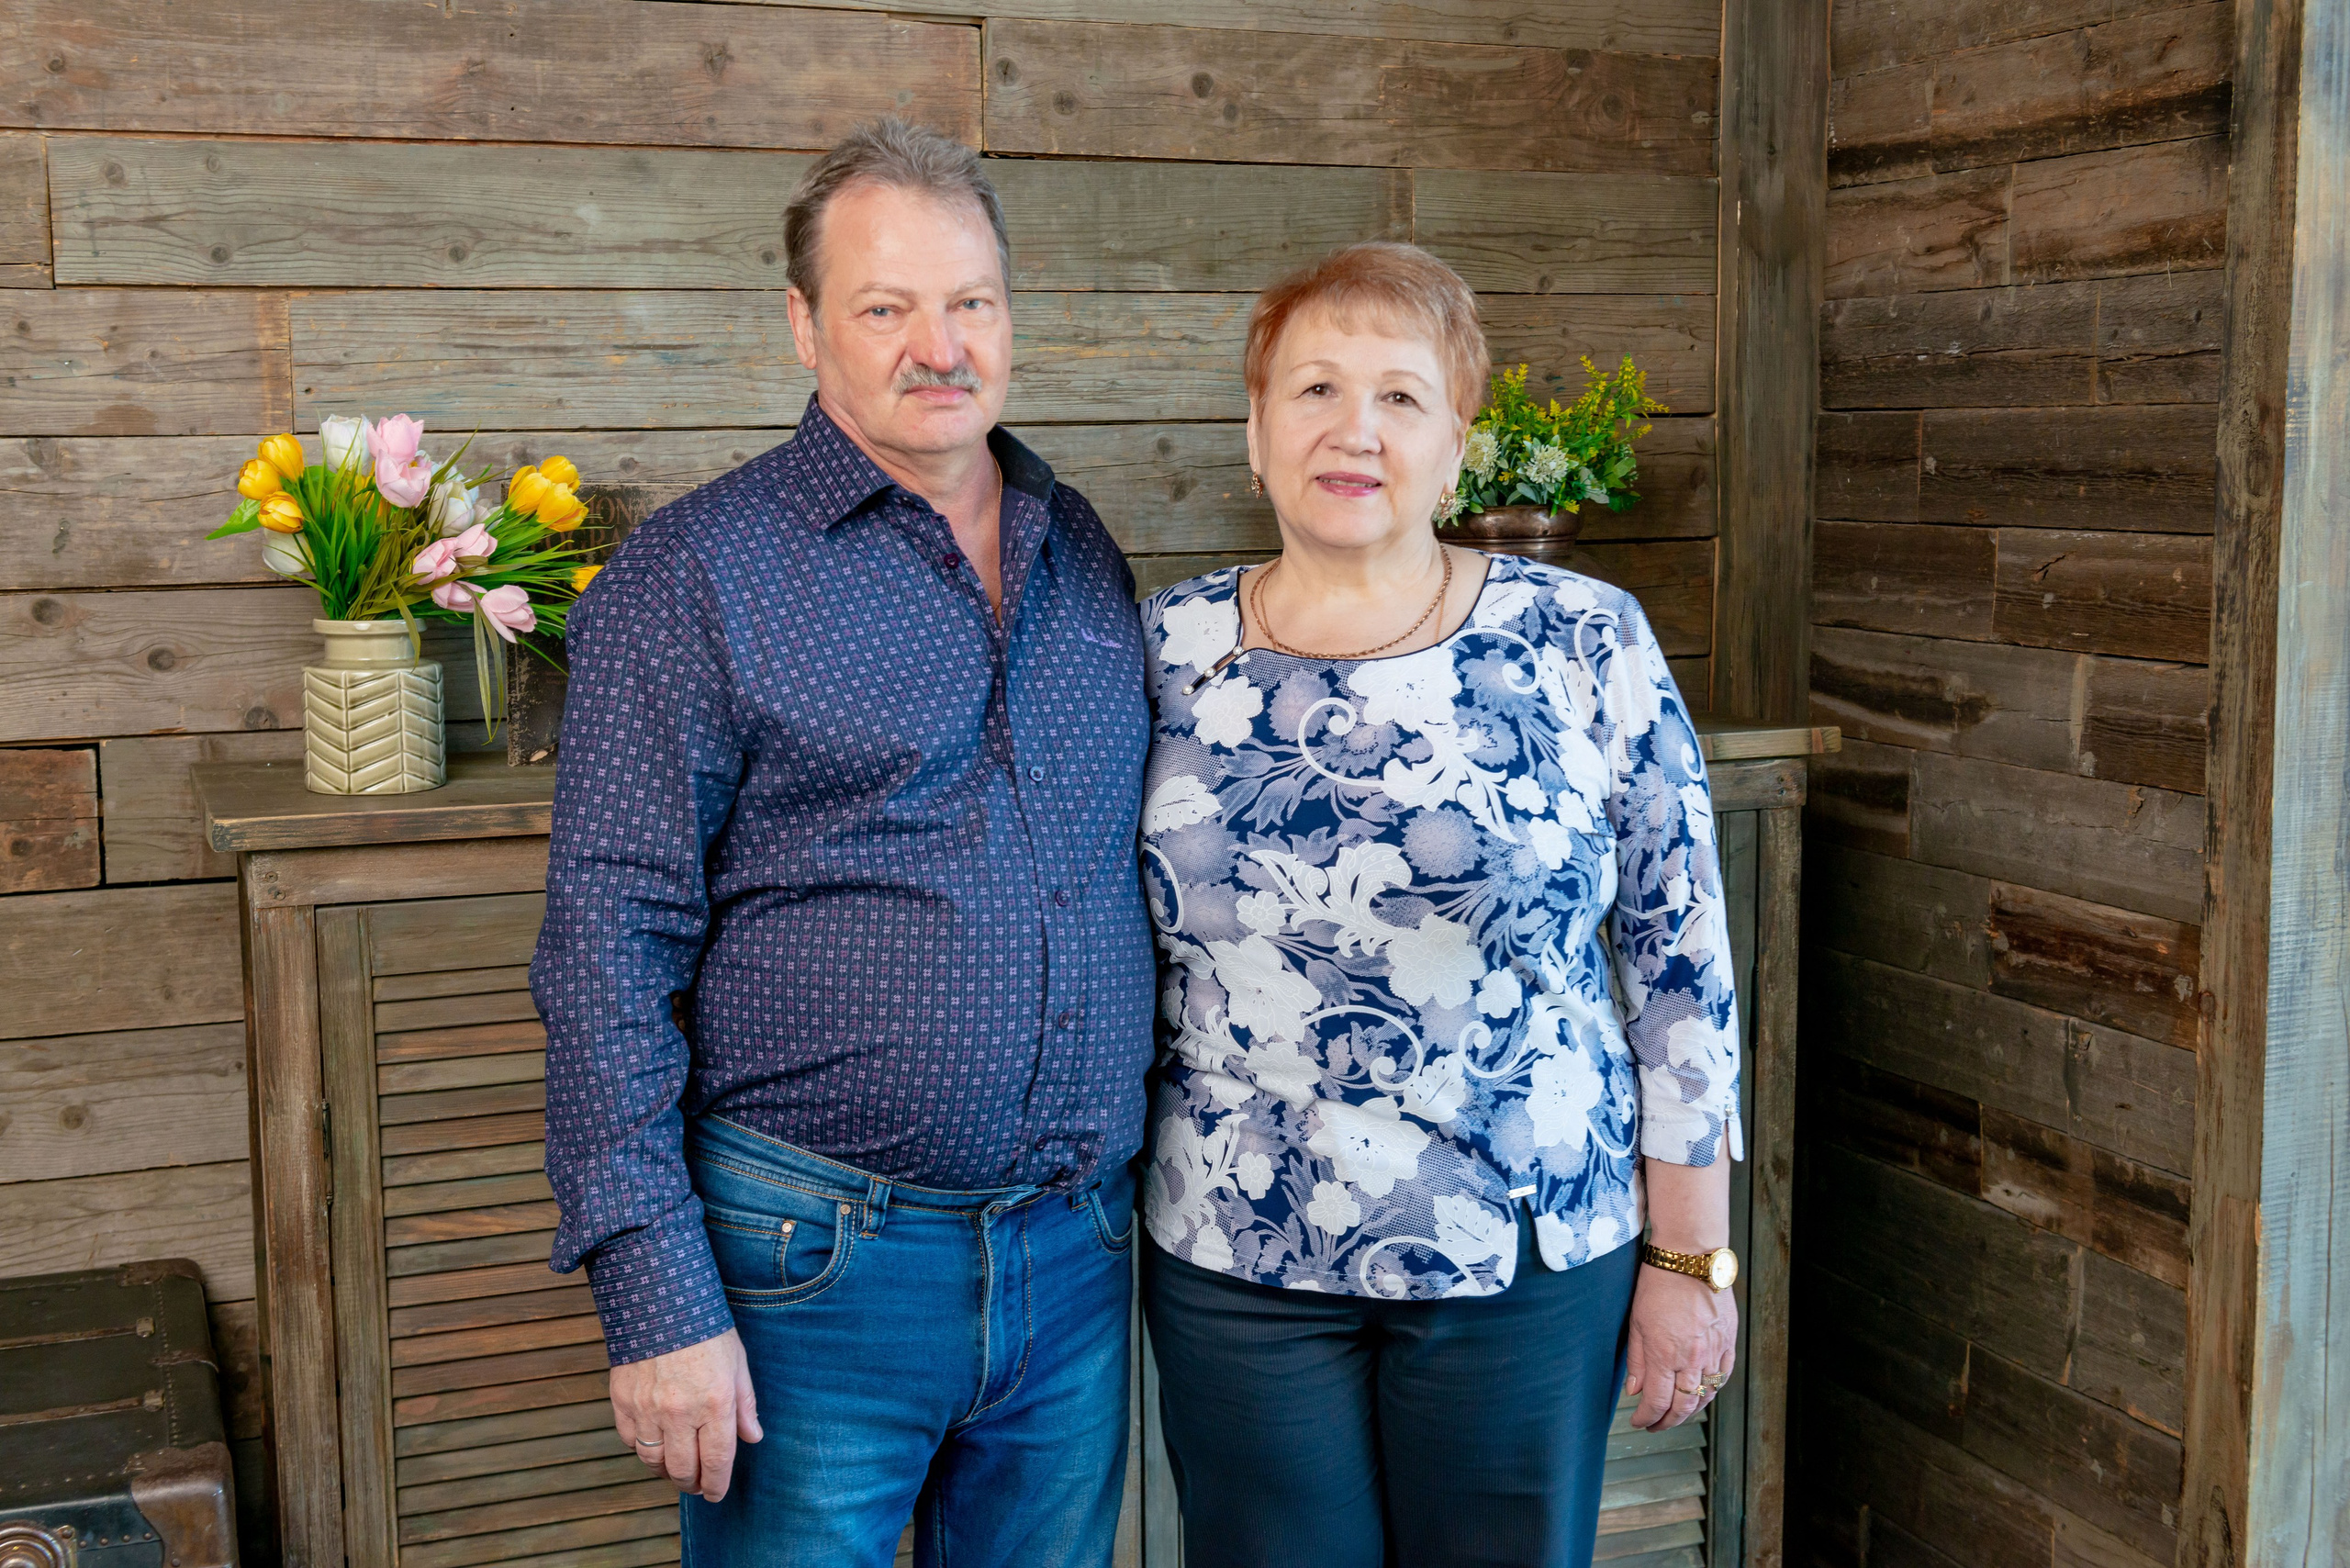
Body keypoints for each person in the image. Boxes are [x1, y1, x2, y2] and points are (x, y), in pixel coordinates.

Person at [531, 119, 1157, 1568]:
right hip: (811, 1273)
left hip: (1075, 1261)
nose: (939, 345)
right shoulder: (692, 576)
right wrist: (657, 1299)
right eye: (888, 306)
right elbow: (603, 951)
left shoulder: (1083, 547)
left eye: (971, 303)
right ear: (805, 325)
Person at [1136, 241, 1744, 1568]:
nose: (1355, 430)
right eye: (1314, 391)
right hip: (1241, 1257)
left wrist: (1693, 1267)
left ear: (1457, 446)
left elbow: (1682, 956)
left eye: (1401, 398)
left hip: (1521, 1255)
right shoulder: (1163, 650)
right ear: (1254, 431)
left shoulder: (1584, 637)